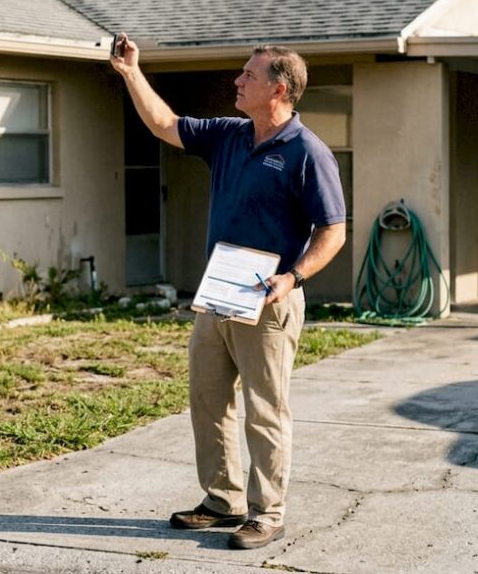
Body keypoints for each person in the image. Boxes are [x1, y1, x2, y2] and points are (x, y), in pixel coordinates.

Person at [110, 34, 347, 550]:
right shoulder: (228, 135)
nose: (237, 81)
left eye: (249, 75)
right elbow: (164, 124)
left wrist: (293, 277)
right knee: (208, 398)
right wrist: (131, 73)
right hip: (219, 291)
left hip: (270, 298)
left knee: (266, 408)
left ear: (278, 89)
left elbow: (334, 230)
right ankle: (222, 499)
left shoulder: (308, 152)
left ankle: (268, 513)